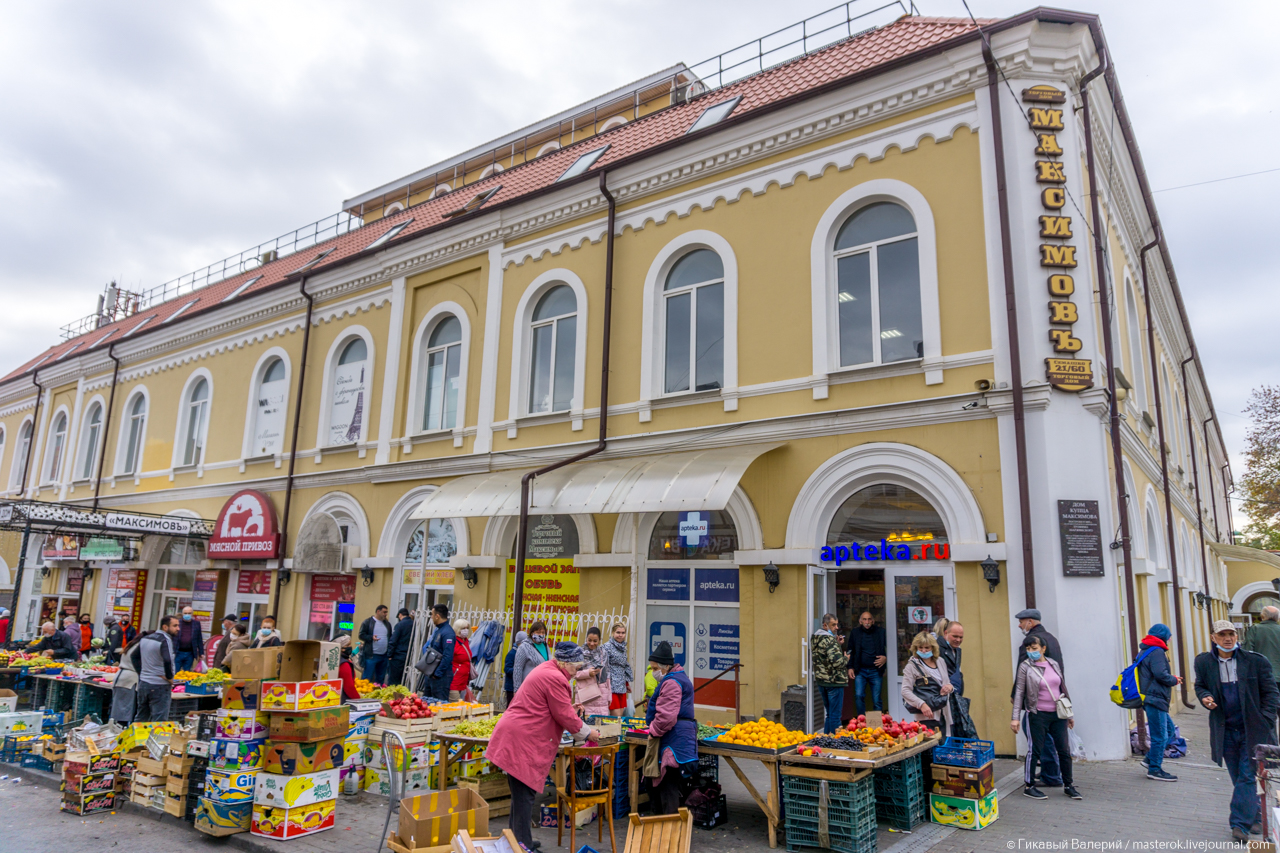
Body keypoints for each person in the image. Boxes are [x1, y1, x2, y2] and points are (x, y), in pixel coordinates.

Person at [488, 643, 602, 852]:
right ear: (566, 663)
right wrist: (588, 733)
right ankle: (522, 846)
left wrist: (569, 708)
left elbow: (554, 707)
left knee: (521, 794)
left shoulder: (548, 669)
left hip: (517, 735)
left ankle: (518, 840)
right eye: (576, 668)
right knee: (524, 795)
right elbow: (563, 715)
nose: (577, 673)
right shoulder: (556, 678)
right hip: (522, 739)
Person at [1195, 619, 1280, 843]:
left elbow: (1271, 693)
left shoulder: (1254, 661)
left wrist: (1266, 721)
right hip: (1225, 730)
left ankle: (1239, 823)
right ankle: (1255, 816)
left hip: (1253, 730)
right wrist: (1205, 697)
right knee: (1237, 776)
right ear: (1213, 638)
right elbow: (1200, 684)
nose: (1228, 638)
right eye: (1222, 634)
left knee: (1246, 775)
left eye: (1231, 634)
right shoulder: (1204, 662)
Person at [1011, 634, 1081, 801]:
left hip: (1058, 714)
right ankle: (1029, 786)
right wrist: (1015, 717)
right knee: (1034, 750)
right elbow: (1019, 692)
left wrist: (1069, 714)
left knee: (1064, 751)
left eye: (1034, 648)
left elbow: (1062, 688)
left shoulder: (1053, 664)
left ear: (1043, 648)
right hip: (1037, 714)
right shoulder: (1025, 667)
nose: (1031, 652)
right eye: (1028, 649)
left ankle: (1069, 785)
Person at [644, 641, 699, 814]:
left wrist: (654, 731)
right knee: (668, 784)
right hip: (679, 738)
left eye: (654, 668)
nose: (653, 672)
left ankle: (668, 828)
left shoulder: (672, 683)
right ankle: (668, 825)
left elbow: (667, 716)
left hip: (674, 741)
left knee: (668, 785)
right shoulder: (678, 678)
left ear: (666, 666)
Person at [1013, 608, 1065, 787]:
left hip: (1037, 700)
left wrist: (1016, 697)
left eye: (1022, 622)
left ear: (1030, 621)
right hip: (1053, 697)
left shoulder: (1031, 642)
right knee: (1049, 738)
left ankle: (1051, 775)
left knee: (1038, 738)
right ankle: (1051, 772)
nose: (1020, 625)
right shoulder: (1052, 639)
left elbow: (1023, 671)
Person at [1134, 623, 1182, 782]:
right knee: (1160, 735)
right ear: (1163, 636)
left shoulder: (1146, 650)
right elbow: (1161, 674)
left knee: (1168, 730)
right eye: (1169, 636)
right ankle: (1155, 769)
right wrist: (1174, 679)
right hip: (1155, 698)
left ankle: (1149, 759)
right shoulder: (1156, 651)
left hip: (1153, 698)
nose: (1170, 639)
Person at [901, 632, 954, 736]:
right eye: (920, 648)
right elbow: (905, 691)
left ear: (933, 648)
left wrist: (950, 687)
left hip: (943, 711)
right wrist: (922, 705)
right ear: (915, 648)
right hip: (926, 716)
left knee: (942, 743)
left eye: (927, 648)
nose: (924, 651)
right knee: (929, 746)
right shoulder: (911, 666)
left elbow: (947, 682)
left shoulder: (940, 661)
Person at [136, 616, 180, 722]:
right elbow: (168, 660)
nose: (178, 628)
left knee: (141, 718)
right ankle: (158, 739)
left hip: (144, 683)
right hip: (159, 685)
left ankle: (137, 738)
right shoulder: (165, 640)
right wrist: (169, 677)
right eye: (175, 626)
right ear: (165, 627)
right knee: (159, 721)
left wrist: (142, 672)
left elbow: (134, 656)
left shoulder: (146, 638)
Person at [812, 613, 850, 734]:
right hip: (834, 681)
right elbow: (837, 663)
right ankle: (835, 744)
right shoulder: (829, 641)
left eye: (837, 624)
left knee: (829, 714)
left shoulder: (816, 639)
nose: (836, 627)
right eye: (833, 625)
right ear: (825, 625)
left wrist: (837, 644)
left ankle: (826, 741)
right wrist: (846, 658)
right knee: (835, 716)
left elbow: (824, 657)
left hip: (822, 681)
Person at [847, 611, 887, 715]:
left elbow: (892, 648)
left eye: (869, 619)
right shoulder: (855, 633)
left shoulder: (881, 632)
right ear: (860, 621)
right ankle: (861, 721)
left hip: (876, 670)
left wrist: (886, 658)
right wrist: (850, 667)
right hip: (860, 670)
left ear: (873, 621)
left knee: (877, 699)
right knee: (859, 696)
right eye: (864, 619)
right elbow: (850, 650)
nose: (867, 622)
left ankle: (877, 724)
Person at [1244, 606, 1280, 701]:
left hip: (1261, 676)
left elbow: (1247, 652)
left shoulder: (1255, 629)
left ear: (1262, 616)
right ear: (1278, 618)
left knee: (1265, 705)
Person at [575, 626, 612, 718]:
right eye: (589, 640)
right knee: (585, 724)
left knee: (601, 725)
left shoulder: (603, 653)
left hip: (601, 692)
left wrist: (609, 695)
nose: (592, 643)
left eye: (595, 641)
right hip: (585, 693)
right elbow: (573, 674)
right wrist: (588, 673)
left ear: (599, 640)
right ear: (586, 638)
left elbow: (607, 674)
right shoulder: (578, 653)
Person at [422, 604, 455, 701]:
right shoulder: (439, 630)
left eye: (432, 615)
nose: (431, 617)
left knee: (440, 704)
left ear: (437, 616)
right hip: (431, 674)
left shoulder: (447, 632)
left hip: (441, 677)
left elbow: (447, 656)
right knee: (427, 704)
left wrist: (438, 673)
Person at [111, 634, 145, 723]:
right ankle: (121, 733)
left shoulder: (132, 645)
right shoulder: (140, 646)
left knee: (119, 710)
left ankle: (118, 730)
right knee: (124, 711)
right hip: (130, 680)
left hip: (121, 678)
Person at [603, 623, 634, 714]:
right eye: (618, 632)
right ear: (613, 633)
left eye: (623, 633)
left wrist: (627, 683)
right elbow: (603, 666)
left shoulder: (623, 648)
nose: (620, 635)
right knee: (615, 716)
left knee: (620, 715)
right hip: (611, 685)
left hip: (622, 685)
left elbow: (624, 666)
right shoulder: (607, 647)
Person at [359, 605, 393, 685]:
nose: (386, 614)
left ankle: (378, 693)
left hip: (384, 655)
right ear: (378, 611)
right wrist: (371, 637)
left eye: (386, 612)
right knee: (367, 678)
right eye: (384, 612)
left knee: (380, 679)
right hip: (371, 655)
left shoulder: (387, 624)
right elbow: (361, 635)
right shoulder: (367, 622)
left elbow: (390, 637)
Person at [513, 620, 550, 692]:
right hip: (529, 688)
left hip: (543, 687)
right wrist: (517, 690)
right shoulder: (524, 647)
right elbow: (518, 669)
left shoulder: (545, 646)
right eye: (538, 632)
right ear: (532, 633)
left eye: (543, 633)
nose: (541, 635)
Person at [387, 608, 414, 686]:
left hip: (398, 656)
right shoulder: (414, 624)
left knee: (394, 681)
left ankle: (393, 696)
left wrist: (389, 655)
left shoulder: (400, 625)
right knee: (405, 680)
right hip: (409, 656)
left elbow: (393, 640)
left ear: (400, 615)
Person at [173, 606, 204, 673]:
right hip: (178, 651)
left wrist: (201, 652)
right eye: (185, 613)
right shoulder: (178, 623)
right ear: (182, 614)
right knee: (175, 672)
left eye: (189, 613)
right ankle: (175, 683)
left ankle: (183, 683)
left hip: (190, 653)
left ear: (192, 614)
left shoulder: (196, 624)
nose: (187, 615)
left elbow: (199, 638)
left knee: (187, 673)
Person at [937, 619, 964, 695]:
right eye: (955, 636)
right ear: (946, 633)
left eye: (961, 637)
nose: (958, 640)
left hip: (955, 694)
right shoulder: (937, 648)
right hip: (942, 695)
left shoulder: (957, 650)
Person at [503, 631, 527, 708]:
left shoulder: (524, 653)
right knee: (511, 706)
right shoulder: (512, 654)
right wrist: (518, 671)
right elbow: (507, 669)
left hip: (521, 685)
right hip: (511, 687)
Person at [450, 619, 472, 700]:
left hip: (463, 681)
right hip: (454, 681)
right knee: (455, 706)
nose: (466, 630)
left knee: (461, 707)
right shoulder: (453, 642)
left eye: (467, 628)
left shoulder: (465, 641)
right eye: (463, 628)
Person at [337, 636, 361, 700]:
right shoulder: (344, 664)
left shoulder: (333, 660)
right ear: (341, 648)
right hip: (343, 700)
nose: (350, 646)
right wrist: (358, 700)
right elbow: (349, 687)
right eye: (348, 645)